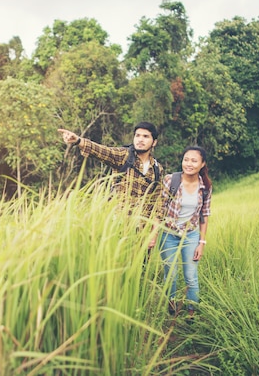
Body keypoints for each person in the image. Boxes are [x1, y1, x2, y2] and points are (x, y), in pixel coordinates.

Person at [58, 122, 164, 245]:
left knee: (140, 264)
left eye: (145, 136)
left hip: (141, 229)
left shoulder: (157, 169)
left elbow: (158, 204)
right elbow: (103, 151)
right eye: (137, 135)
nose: (140, 139)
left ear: (154, 142)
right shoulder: (124, 156)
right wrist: (78, 141)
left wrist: (153, 234)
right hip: (118, 225)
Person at [158, 145, 212, 318]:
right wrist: (153, 235)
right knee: (171, 274)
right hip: (168, 234)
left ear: (202, 164)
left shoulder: (206, 187)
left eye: (194, 161)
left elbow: (204, 215)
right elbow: (159, 209)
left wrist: (202, 243)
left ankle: (191, 312)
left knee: (191, 275)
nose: (189, 164)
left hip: (191, 235)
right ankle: (171, 305)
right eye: (186, 159)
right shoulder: (170, 180)